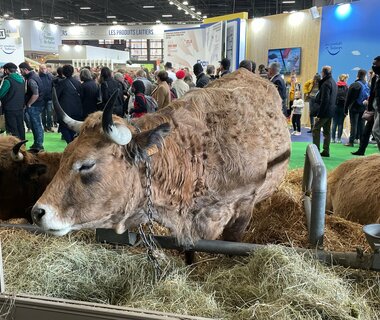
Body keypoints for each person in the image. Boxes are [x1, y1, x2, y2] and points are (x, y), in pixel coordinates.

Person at [353, 56, 380, 154]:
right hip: (373, 108)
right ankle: (361, 150)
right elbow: (373, 93)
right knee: (367, 130)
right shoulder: (375, 78)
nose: (374, 66)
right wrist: (369, 106)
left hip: (378, 108)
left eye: (376, 63)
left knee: (376, 131)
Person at [19, 62, 45, 152]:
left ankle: (39, 145)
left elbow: (35, 94)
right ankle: (37, 143)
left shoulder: (31, 79)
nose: (20, 72)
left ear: (25, 69)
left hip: (35, 105)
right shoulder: (35, 76)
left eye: (21, 70)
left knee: (36, 125)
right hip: (38, 104)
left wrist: (29, 104)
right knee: (36, 125)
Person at [312, 66, 337, 157]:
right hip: (330, 111)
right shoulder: (333, 82)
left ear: (323, 73)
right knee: (327, 131)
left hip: (325, 111)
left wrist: (319, 114)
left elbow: (324, 100)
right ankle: (326, 151)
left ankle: (316, 151)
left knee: (315, 129)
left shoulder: (326, 83)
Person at [55, 64, 83, 144]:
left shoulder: (61, 83)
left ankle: (70, 143)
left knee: (64, 128)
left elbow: (56, 96)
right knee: (74, 128)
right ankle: (73, 143)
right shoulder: (78, 83)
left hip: (65, 110)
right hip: (77, 109)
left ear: (63, 72)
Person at [344, 69, 369, 147]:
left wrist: (345, 109)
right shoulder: (367, 85)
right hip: (363, 107)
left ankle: (351, 142)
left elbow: (348, 98)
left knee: (353, 125)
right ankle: (362, 142)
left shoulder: (354, 85)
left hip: (354, 108)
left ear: (357, 75)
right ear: (365, 76)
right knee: (362, 125)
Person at [0, 63, 25, 140]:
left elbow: (1, 94)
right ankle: (22, 146)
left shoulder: (8, 80)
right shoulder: (22, 79)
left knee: (12, 129)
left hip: (10, 108)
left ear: (7, 70)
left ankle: (15, 148)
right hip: (20, 107)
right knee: (20, 127)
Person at [331, 74, 348, 143]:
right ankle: (339, 139)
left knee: (334, 123)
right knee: (340, 123)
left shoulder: (335, 86)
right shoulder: (346, 87)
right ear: (345, 79)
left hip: (335, 106)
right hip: (343, 107)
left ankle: (332, 139)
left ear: (339, 78)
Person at [39, 64, 54, 133]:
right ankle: (44, 126)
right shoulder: (38, 77)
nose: (43, 70)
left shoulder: (50, 76)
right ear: (39, 69)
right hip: (41, 99)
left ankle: (49, 126)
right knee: (43, 114)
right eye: (41, 68)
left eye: (44, 68)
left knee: (49, 113)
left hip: (49, 98)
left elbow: (53, 86)